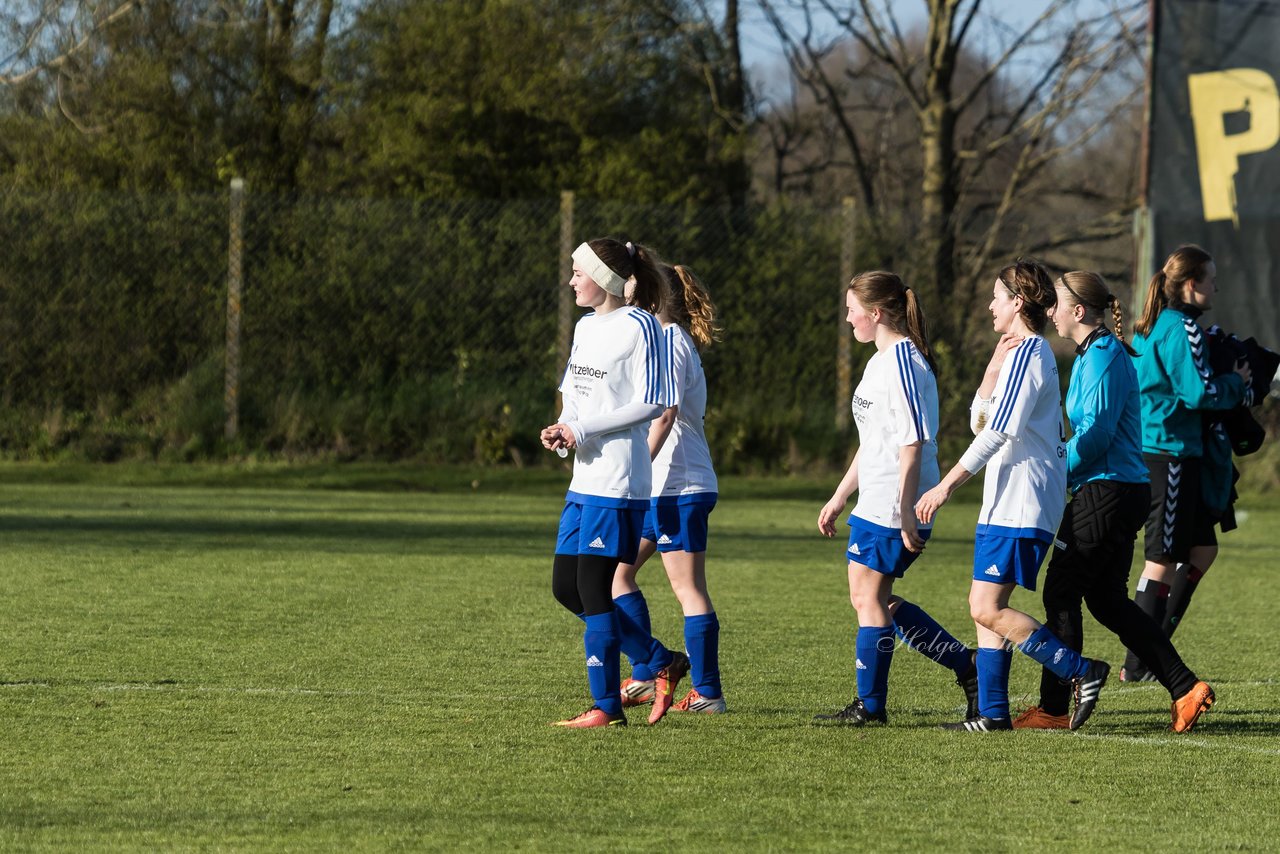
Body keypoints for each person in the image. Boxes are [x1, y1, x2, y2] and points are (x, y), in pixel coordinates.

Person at [1013, 270, 1214, 733]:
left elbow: (1098, 434)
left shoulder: (1102, 355)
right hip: (1118, 491)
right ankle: (1185, 688)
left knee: (1060, 591)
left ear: (1078, 311)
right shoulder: (1094, 353)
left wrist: (1056, 474)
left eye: (1056, 305)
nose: (1050, 314)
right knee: (1106, 600)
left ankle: (1053, 708)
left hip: (1107, 492)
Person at [915, 259, 1109, 733]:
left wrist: (945, 485)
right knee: (985, 608)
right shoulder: (1015, 354)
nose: (990, 305)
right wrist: (988, 373)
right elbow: (980, 422)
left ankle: (1081, 671)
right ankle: (993, 714)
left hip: (1023, 501)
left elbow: (999, 431)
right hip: (1004, 501)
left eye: (997, 296)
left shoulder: (1032, 353)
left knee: (986, 607)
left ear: (1018, 302)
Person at [812, 271, 979, 726]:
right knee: (873, 601)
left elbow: (912, 443)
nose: (847, 319)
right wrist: (840, 495)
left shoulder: (904, 361)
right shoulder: (881, 359)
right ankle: (967, 666)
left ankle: (872, 706)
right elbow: (874, 441)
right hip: (877, 501)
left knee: (868, 599)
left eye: (851, 310)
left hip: (892, 505)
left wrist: (906, 511)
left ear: (876, 313)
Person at [541, 237, 677, 729]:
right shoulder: (584, 327)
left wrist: (581, 430)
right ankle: (661, 660)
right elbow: (575, 397)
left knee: (593, 588)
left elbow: (653, 403)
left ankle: (606, 707)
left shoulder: (640, 327)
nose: (572, 280)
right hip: (584, 480)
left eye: (578, 272)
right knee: (565, 588)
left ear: (603, 278)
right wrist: (563, 429)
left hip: (619, 481)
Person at [1122, 245, 1250, 682]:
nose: (1216, 286)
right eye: (1211, 278)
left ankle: (1154, 644)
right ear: (1191, 284)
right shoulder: (1181, 328)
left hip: (1170, 450)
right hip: (1169, 452)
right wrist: (1239, 384)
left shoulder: (1154, 323)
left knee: (1202, 550)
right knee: (1160, 558)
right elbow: (1198, 394)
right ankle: (1138, 661)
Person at [612, 263, 725, 720]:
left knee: (688, 589)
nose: (628, 300)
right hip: (660, 488)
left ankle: (708, 692)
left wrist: (635, 468)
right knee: (615, 576)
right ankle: (645, 673)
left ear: (655, 297)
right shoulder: (658, 340)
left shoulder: (673, 341)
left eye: (635, 292)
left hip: (680, 485)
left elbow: (666, 413)